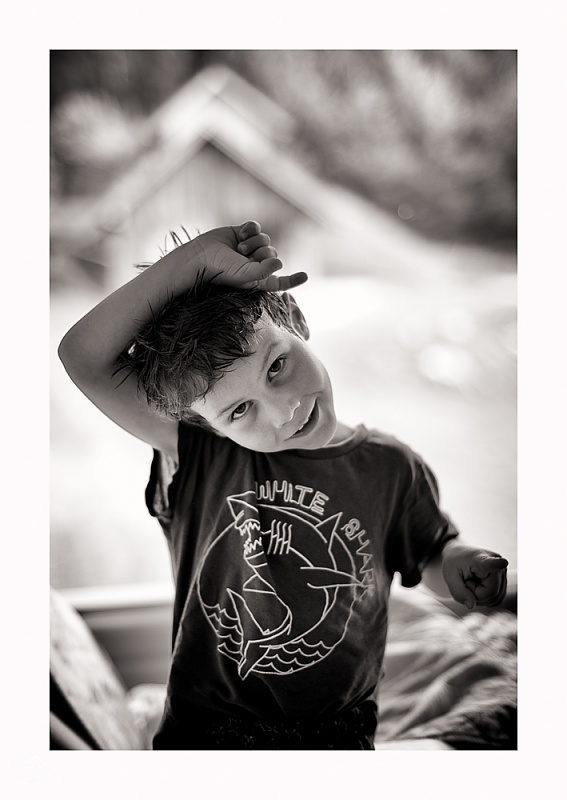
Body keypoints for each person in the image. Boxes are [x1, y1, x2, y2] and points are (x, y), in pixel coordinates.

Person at [58, 220, 508, 750]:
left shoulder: (392, 468)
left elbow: (429, 553)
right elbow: (82, 355)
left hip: (338, 738)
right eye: (240, 410)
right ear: (205, 422)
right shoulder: (200, 453)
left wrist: (459, 564)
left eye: (276, 366)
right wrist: (196, 260)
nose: (284, 410)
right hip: (207, 739)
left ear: (294, 319)